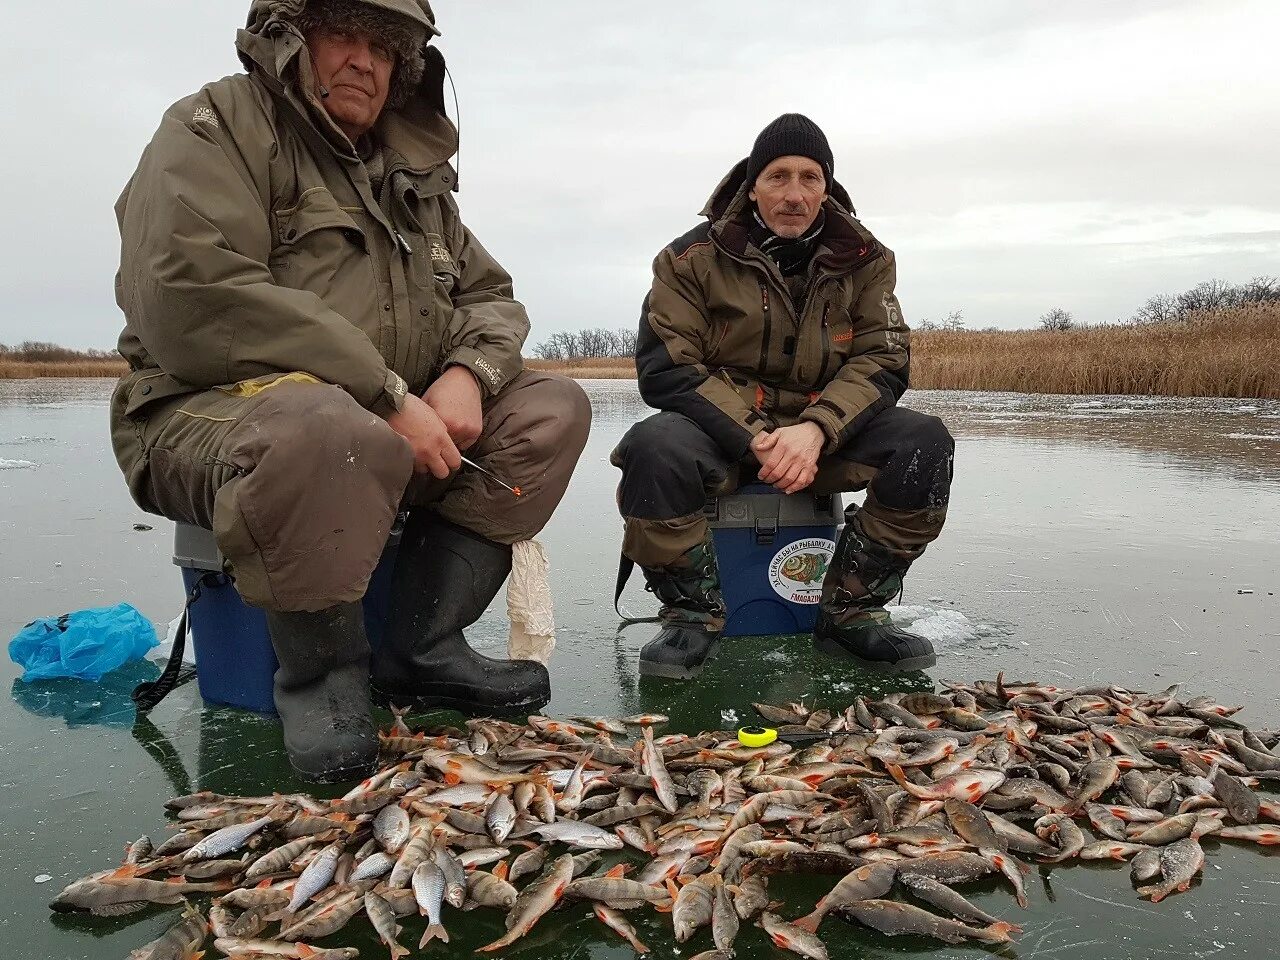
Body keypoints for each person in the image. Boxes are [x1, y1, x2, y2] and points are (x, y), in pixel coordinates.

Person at [110, 0, 591, 782]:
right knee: (323, 424)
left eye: (385, 47)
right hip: (206, 421)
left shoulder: (415, 180)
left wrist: (469, 374)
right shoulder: (215, 127)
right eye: (344, 35)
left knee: (551, 407)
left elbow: (491, 298)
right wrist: (386, 394)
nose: (364, 61)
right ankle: (324, 683)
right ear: (293, 38)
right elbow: (190, 293)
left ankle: (422, 647)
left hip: (380, 433)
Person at [613, 114, 953, 680]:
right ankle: (692, 616)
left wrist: (816, 428)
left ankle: (852, 610)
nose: (794, 194)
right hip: (725, 433)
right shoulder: (688, 259)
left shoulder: (869, 261)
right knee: (653, 445)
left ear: (827, 187)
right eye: (778, 176)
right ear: (752, 184)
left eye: (809, 178)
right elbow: (666, 367)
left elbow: (885, 360)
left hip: (824, 434)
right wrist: (757, 438)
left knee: (924, 442)